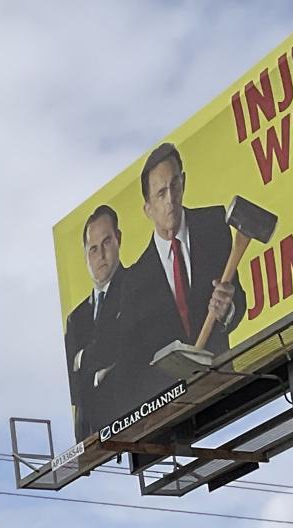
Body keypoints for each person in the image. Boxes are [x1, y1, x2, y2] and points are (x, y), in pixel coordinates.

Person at [118, 141, 244, 397]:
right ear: (148, 208)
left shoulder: (213, 225)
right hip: (174, 404)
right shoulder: (134, 281)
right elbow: (136, 361)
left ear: (183, 182)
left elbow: (238, 299)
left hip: (224, 382)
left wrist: (227, 310)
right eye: (161, 194)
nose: (171, 200)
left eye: (174, 186)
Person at [64, 205, 128, 439]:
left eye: (106, 243)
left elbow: (124, 348)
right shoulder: (76, 318)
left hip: (133, 410)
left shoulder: (135, 285)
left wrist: (80, 360)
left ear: (118, 239)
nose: (100, 255)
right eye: (92, 249)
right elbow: (69, 386)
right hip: (90, 432)